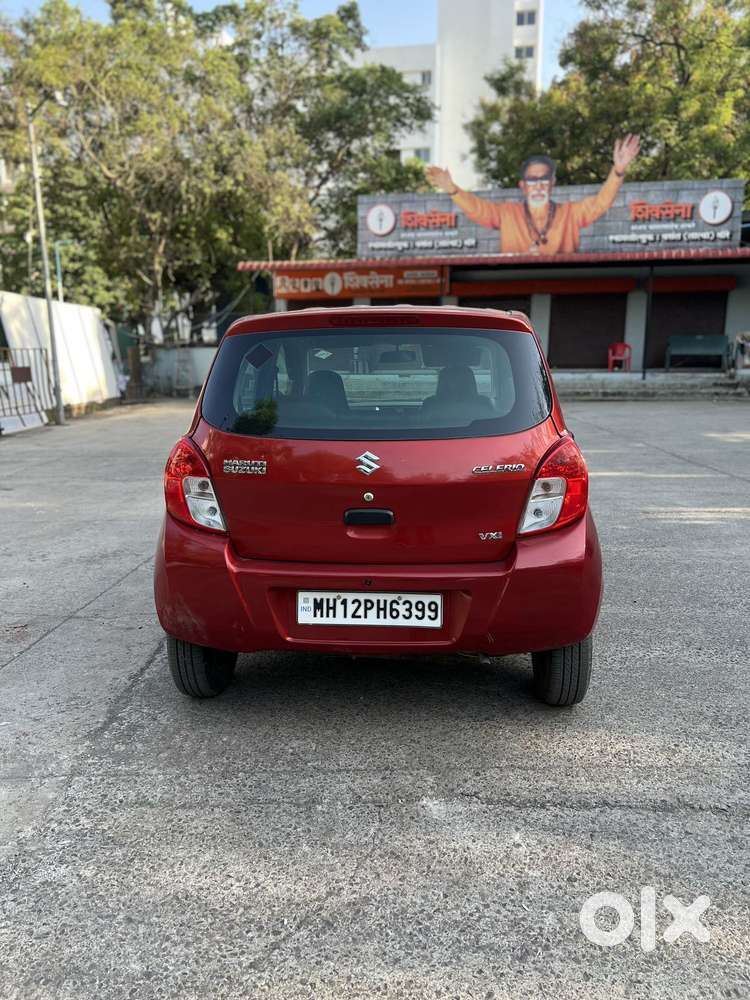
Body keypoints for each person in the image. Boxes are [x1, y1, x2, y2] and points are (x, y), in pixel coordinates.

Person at [426, 135, 640, 255]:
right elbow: (478, 209)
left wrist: (618, 170)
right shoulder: (508, 214)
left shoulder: (570, 214)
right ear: (523, 185)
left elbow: (601, 203)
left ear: (552, 182)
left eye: (543, 178)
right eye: (532, 180)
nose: (538, 185)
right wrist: (451, 188)